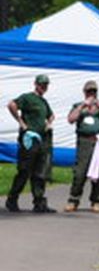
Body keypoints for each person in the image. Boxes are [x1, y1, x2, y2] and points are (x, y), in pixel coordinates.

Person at [5, 73, 56, 213]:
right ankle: (12, 200)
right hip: (29, 139)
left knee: (39, 172)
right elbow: (11, 105)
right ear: (36, 84)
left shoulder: (44, 102)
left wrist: (49, 123)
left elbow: (51, 115)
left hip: (41, 140)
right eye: (41, 84)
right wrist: (21, 123)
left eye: (45, 85)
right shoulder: (28, 98)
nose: (43, 87)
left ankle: (39, 202)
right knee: (24, 170)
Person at [64, 80, 99, 213]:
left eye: (94, 92)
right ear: (84, 92)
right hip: (84, 142)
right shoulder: (78, 106)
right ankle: (73, 200)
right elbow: (71, 119)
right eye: (89, 92)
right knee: (80, 172)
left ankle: (96, 200)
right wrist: (82, 106)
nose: (91, 95)